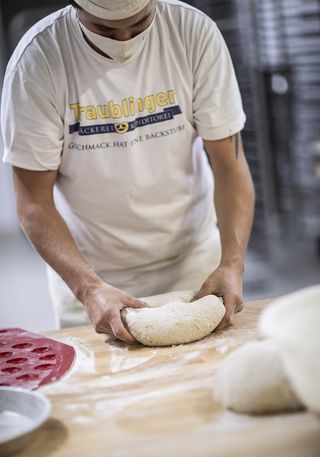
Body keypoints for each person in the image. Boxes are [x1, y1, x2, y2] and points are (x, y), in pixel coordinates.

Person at [1, 0, 255, 343]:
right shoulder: (38, 61)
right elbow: (32, 202)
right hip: (92, 273)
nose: (123, 40)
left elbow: (229, 165)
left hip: (193, 263)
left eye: (139, 25)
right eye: (105, 30)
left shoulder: (192, 33)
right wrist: (89, 290)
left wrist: (232, 264)